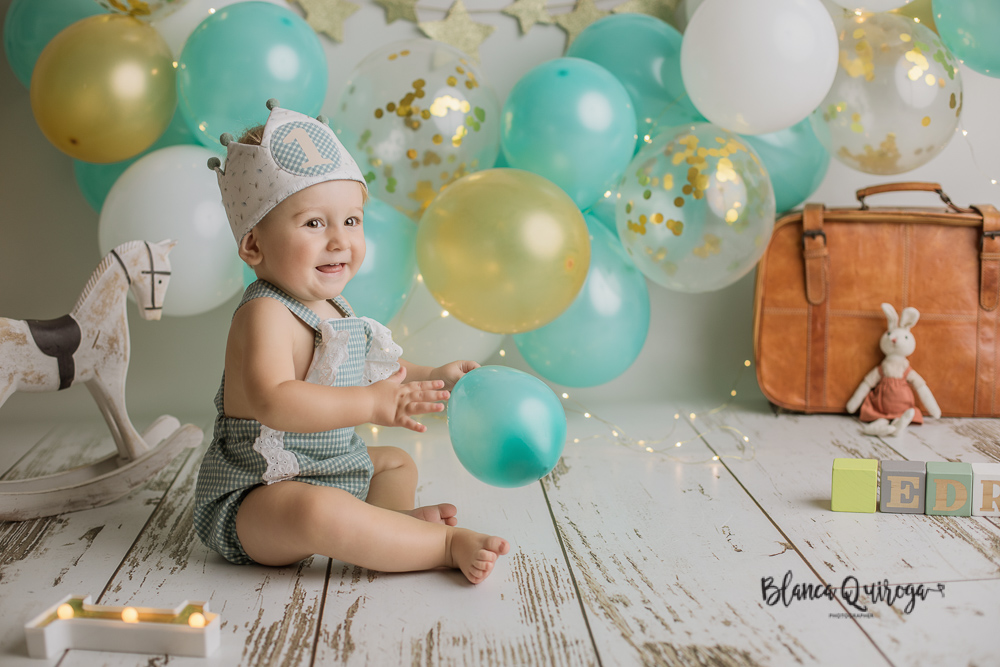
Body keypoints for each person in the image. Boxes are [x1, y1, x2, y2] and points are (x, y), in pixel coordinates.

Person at [193, 100, 509, 584]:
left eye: (352, 220)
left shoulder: (337, 310)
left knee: (395, 464)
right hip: (259, 494)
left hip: (328, 466)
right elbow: (274, 400)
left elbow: (380, 371)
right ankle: (440, 544)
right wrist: (369, 405)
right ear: (254, 245)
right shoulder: (264, 314)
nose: (339, 240)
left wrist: (434, 377)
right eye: (314, 223)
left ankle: (389, 533)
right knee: (316, 513)